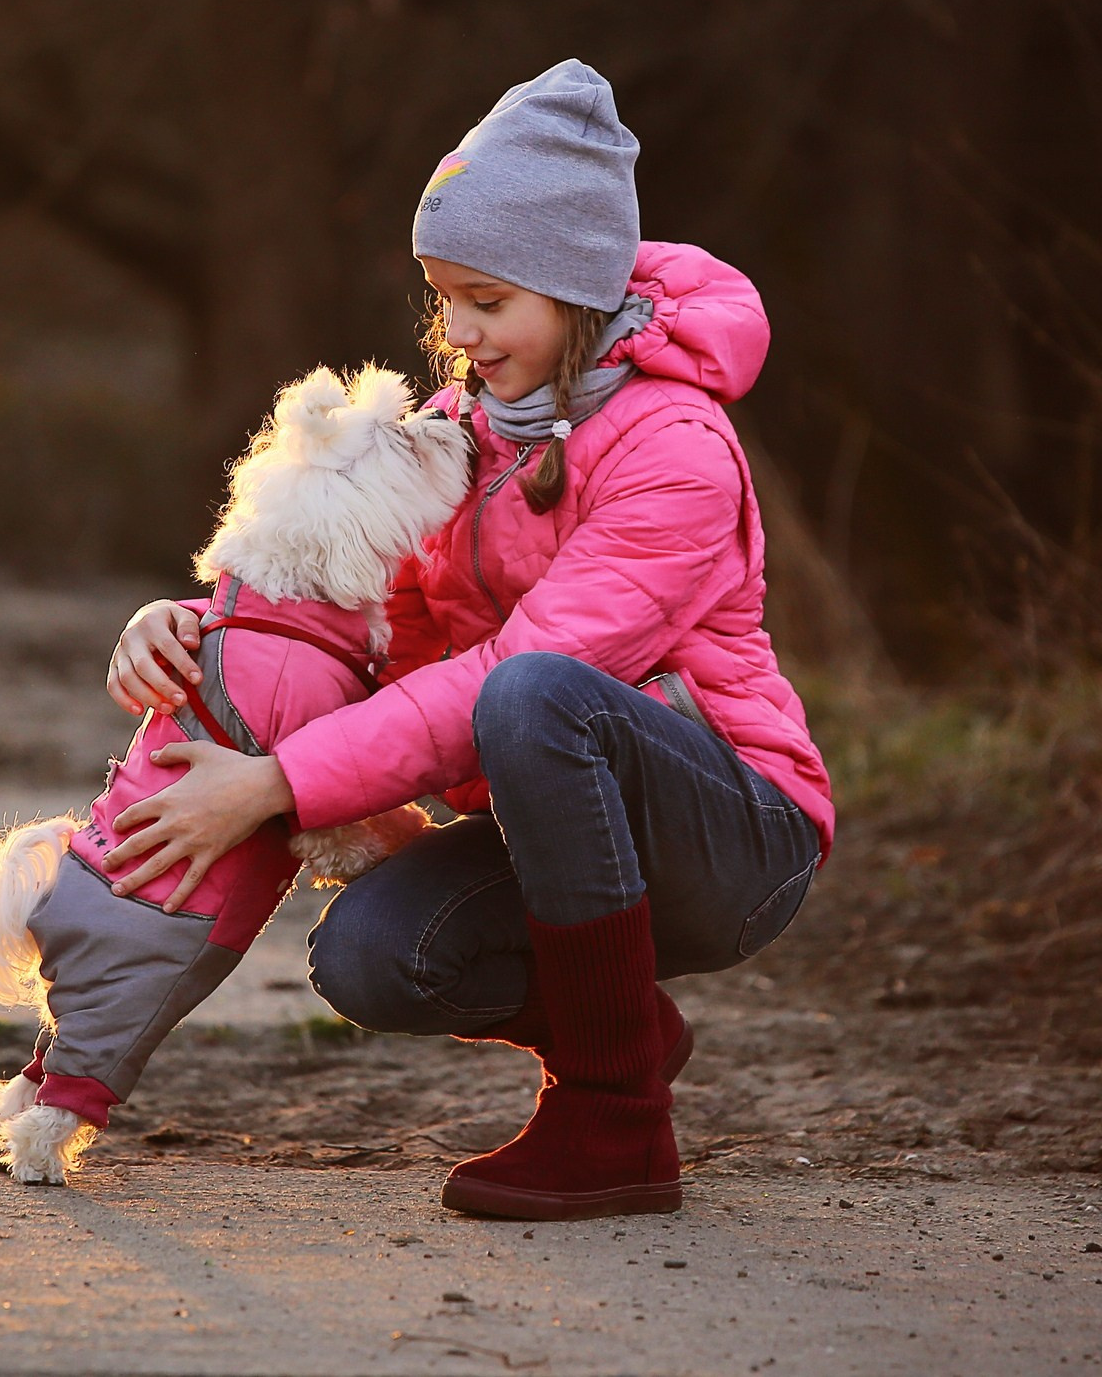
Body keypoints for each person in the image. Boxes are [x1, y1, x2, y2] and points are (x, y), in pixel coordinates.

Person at [102, 59, 834, 1220]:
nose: (457, 334)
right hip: (559, 829)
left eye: (488, 302)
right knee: (371, 957)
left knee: (537, 691)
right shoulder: (457, 433)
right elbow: (374, 641)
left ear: (577, 290)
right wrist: (206, 628)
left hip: (732, 833)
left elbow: (516, 682)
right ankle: (626, 1031)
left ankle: (615, 1122)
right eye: (444, 298)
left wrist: (276, 784)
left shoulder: (673, 449)